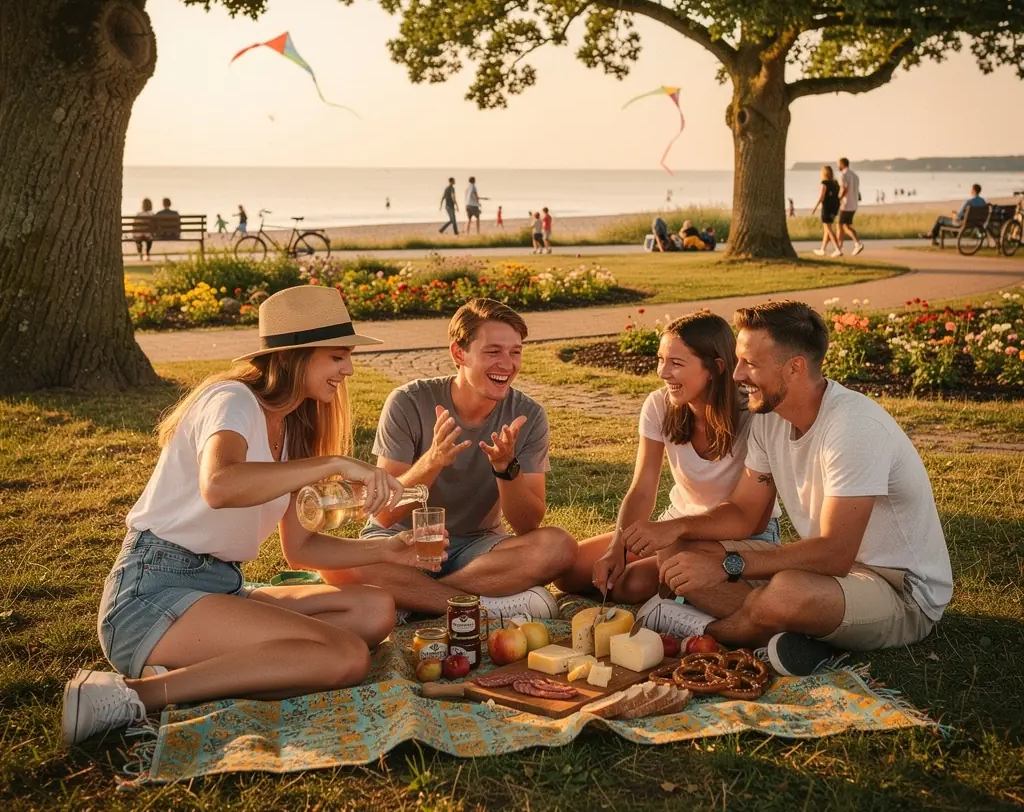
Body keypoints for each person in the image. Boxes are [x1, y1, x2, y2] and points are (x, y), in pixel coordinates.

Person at [63, 286, 438, 746]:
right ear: (291, 358)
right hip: (154, 590)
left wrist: (388, 550)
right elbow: (220, 485)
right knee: (345, 657)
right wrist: (334, 464)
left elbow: (301, 549)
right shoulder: (232, 400)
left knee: (374, 608)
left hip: (223, 587)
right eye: (337, 356)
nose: (349, 368)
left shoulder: (295, 430)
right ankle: (133, 695)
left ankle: (206, 667)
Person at [636, 300, 952, 676]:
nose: (736, 375)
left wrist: (726, 566)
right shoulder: (771, 418)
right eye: (738, 360)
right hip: (829, 576)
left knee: (789, 590)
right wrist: (678, 527)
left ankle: (696, 635)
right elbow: (744, 512)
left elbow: (835, 552)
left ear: (795, 368)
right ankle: (784, 632)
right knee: (679, 551)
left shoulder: (853, 428)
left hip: (898, 589)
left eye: (750, 364)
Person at [324, 299, 577, 619]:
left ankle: (419, 599)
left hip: (477, 550)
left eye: (515, 352)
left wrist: (506, 469)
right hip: (401, 542)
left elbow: (528, 524)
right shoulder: (407, 401)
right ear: (459, 353)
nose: (507, 364)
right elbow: (386, 514)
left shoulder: (528, 415)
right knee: (340, 568)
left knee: (559, 547)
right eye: (493, 351)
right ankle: (476, 605)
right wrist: (432, 461)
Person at [555, 312, 780, 603]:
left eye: (676, 363)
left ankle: (690, 593)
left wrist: (673, 533)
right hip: (675, 526)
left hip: (741, 537)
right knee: (570, 573)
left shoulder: (756, 418)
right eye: (661, 359)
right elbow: (643, 489)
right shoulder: (659, 405)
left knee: (631, 585)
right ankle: (671, 586)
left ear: (715, 368)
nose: (662, 372)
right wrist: (617, 547)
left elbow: (752, 522)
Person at [810, 165, 842, 257]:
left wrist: (815, 208)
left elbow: (821, 197)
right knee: (826, 230)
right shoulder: (835, 183)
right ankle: (822, 249)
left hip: (827, 208)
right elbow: (837, 196)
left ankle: (837, 249)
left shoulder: (824, 183)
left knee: (828, 229)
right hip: (834, 208)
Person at [836, 158, 865, 257]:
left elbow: (844, 188)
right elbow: (856, 191)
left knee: (840, 225)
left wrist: (838, 199)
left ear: (842, 164)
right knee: (846, 226)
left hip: (846, 204)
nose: (837, 166)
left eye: (838, 164)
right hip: (854, 204)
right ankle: (856, 244)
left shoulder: (843, 175)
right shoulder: (855, 176)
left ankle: (839, 248)